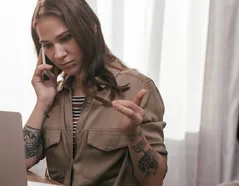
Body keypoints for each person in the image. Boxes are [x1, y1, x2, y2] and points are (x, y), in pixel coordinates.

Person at [23, 0, 168, 185]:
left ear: (91, 29)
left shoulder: (137, 88)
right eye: (48, 45)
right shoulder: (55, 95)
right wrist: (42, 101)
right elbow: (19, 162)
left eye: (66, 38)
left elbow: (153, 180)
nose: (58, 54)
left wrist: (133, 133)